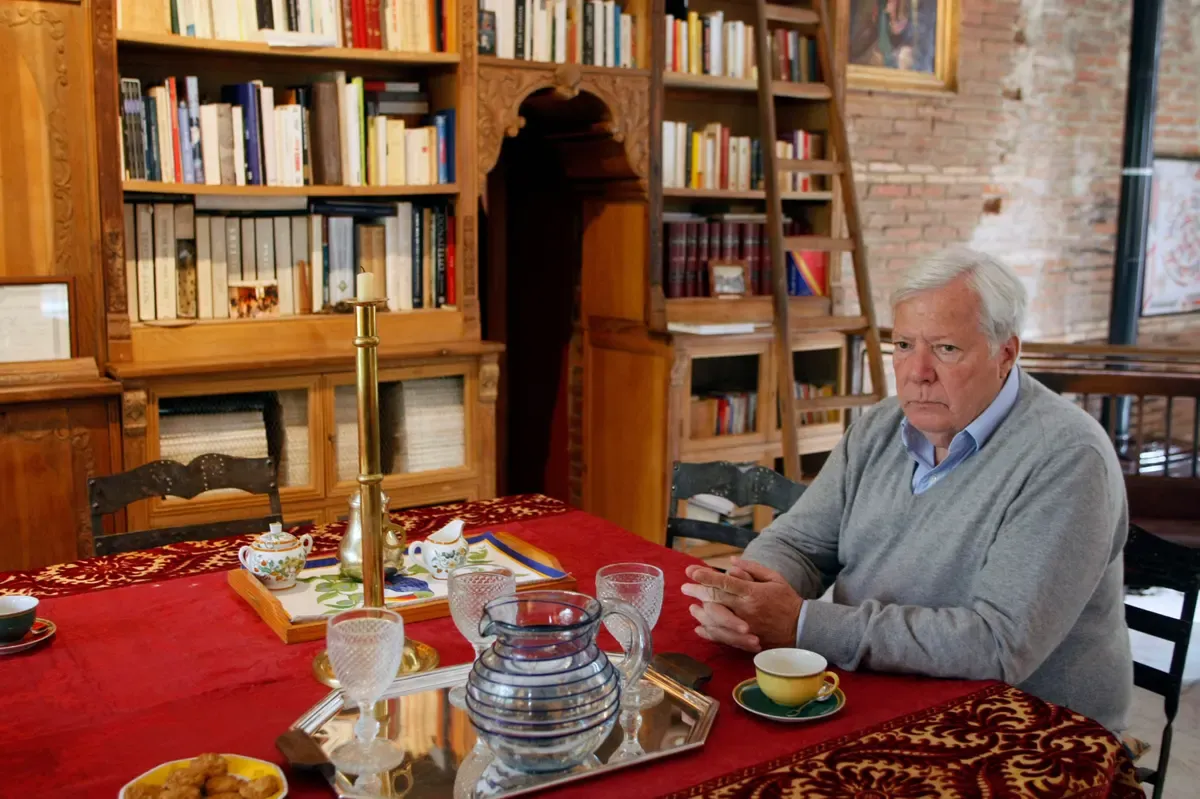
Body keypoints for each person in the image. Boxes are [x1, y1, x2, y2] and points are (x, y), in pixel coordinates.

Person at [681, 247, 1134, 733]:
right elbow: (799, 543)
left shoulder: (1066, 457)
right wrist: (748, 596)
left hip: (1031, 728)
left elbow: (998, 645)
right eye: (902, 345)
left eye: (946, 349)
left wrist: (802, 625)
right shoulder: (880, 425)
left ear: (1005, 354)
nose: (917, 372)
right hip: (883, 689)